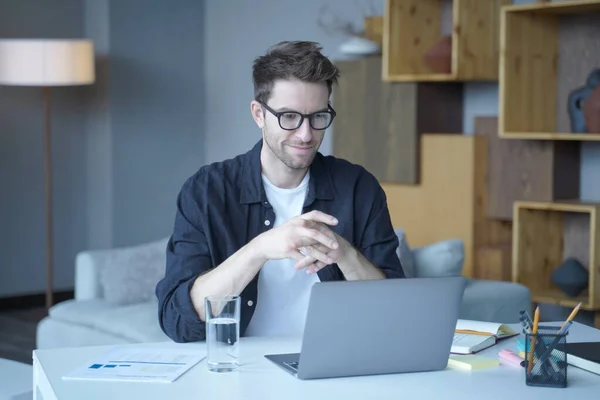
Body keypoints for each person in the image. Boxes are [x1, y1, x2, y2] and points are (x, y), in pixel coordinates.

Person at [155, 41, 404, 343]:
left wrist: (345, 255)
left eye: (318, 117)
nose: (305, 134)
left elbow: (395, 313)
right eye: (289, 117)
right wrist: (259, 249)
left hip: (337, 371)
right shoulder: (207, 191)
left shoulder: (358, 188)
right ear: (258, 114)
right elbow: (176, 320)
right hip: (239, 374)